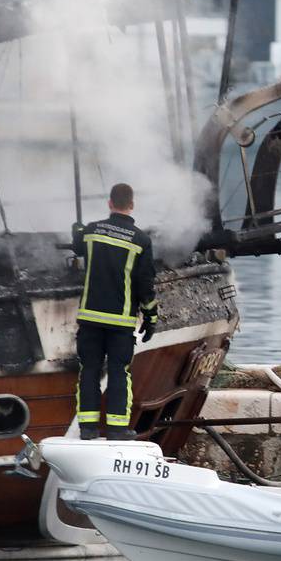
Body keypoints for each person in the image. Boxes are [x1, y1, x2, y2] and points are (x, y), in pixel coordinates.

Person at [74, 183, 158, 440]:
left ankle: (87, 429)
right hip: (120, 322)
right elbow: (145, 283)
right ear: (132, 205)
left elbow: (78, 246)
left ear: (109, 203)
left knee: (89, 369)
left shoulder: (91, 232)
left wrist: (76, 231)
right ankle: (117, 429)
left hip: (90, 318)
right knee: (119, 371)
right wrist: (151, 317)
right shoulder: (141, 240)